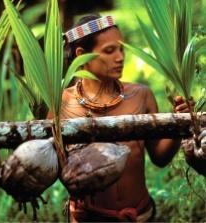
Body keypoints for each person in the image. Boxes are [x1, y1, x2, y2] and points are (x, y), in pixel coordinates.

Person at [60, 14, 194, 222]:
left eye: (121, 48)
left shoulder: (141, 96)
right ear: (81, 56)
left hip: (140, 216)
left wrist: (178, 123)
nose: (120, 57)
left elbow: (159, 157)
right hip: (89, 218)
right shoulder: (61, 104)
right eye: (109, 50)